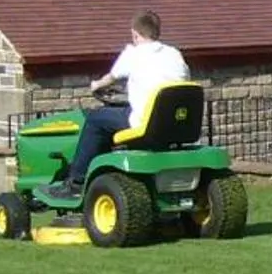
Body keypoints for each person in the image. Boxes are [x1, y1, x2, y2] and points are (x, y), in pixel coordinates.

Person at [47, 11, 188, 198]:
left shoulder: (133, 54)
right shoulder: (174, 54)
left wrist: (95, 85)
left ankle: (76, 181)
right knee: (117, 116)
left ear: (135, 34)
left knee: (96, 119)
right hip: (173, 125)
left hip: (144, 124)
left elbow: (111, 78)